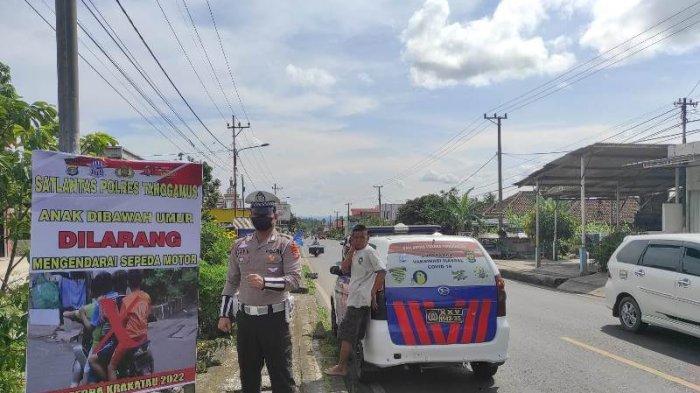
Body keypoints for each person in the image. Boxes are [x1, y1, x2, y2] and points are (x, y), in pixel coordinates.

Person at [218, 190, 302, 393]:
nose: (260, 218)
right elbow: (231, 282)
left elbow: (295, 280)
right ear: (251, 216)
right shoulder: (239, 246)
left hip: (275, 320)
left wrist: (266, 283)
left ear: (275, 215)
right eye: (256, 214)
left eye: (265, 214)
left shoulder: (286, 244)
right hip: (246, 321)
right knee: (248, 377)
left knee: (281, 378)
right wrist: (224, 314)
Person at [325, 224, 386, 376]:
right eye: (355, 238)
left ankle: (341, 368)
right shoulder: (356, 252)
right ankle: (349, 364)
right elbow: (344, 269)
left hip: (359, 301)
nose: (359, 240)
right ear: (352, 239)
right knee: (355, 335)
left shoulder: (369, 252)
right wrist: (351, 250)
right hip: (355, 298)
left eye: (362, 237)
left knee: (346, 334)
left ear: (367, 238)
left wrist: (373, 292)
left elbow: (382, 271)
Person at [107, 269, 151, 381]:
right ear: (141, 281)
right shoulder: (146, 297)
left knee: (111, 367)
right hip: (144, 338)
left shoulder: (126, 300)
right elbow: (147, 314)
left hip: (129, 341)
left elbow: (121, 323)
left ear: (128, 282)